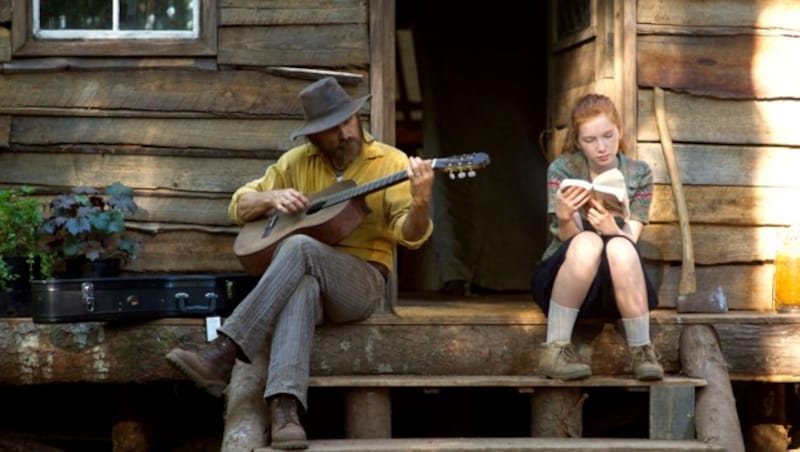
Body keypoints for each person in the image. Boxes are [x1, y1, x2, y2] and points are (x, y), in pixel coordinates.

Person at [166, 77, 434, 450]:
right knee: (301, 285)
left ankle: (224, 352)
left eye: (348, 121)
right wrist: (270, 198)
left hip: (361, 282)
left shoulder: (391, 162)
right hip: (307, 280)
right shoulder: (295, 163)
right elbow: (239, 205)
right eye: (331, 128)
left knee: (299, 247)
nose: (344, 133)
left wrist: (420, 203)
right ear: (313, 137)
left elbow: (411, 235)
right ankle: (284, 410)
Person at [530, 93, 664, 381]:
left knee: (619, 245)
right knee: (588, 242)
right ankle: (554, 350)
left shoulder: (639, 173)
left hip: (617, 285)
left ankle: (642, 350)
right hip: (566, 282)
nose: (601, 147)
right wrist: (566, 216)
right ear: (578, 141)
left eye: (608, 136)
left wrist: (612, 230)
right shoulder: (563, 169)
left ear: (620, 131)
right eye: (590, 140)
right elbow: (570, 243)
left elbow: (633, 236)